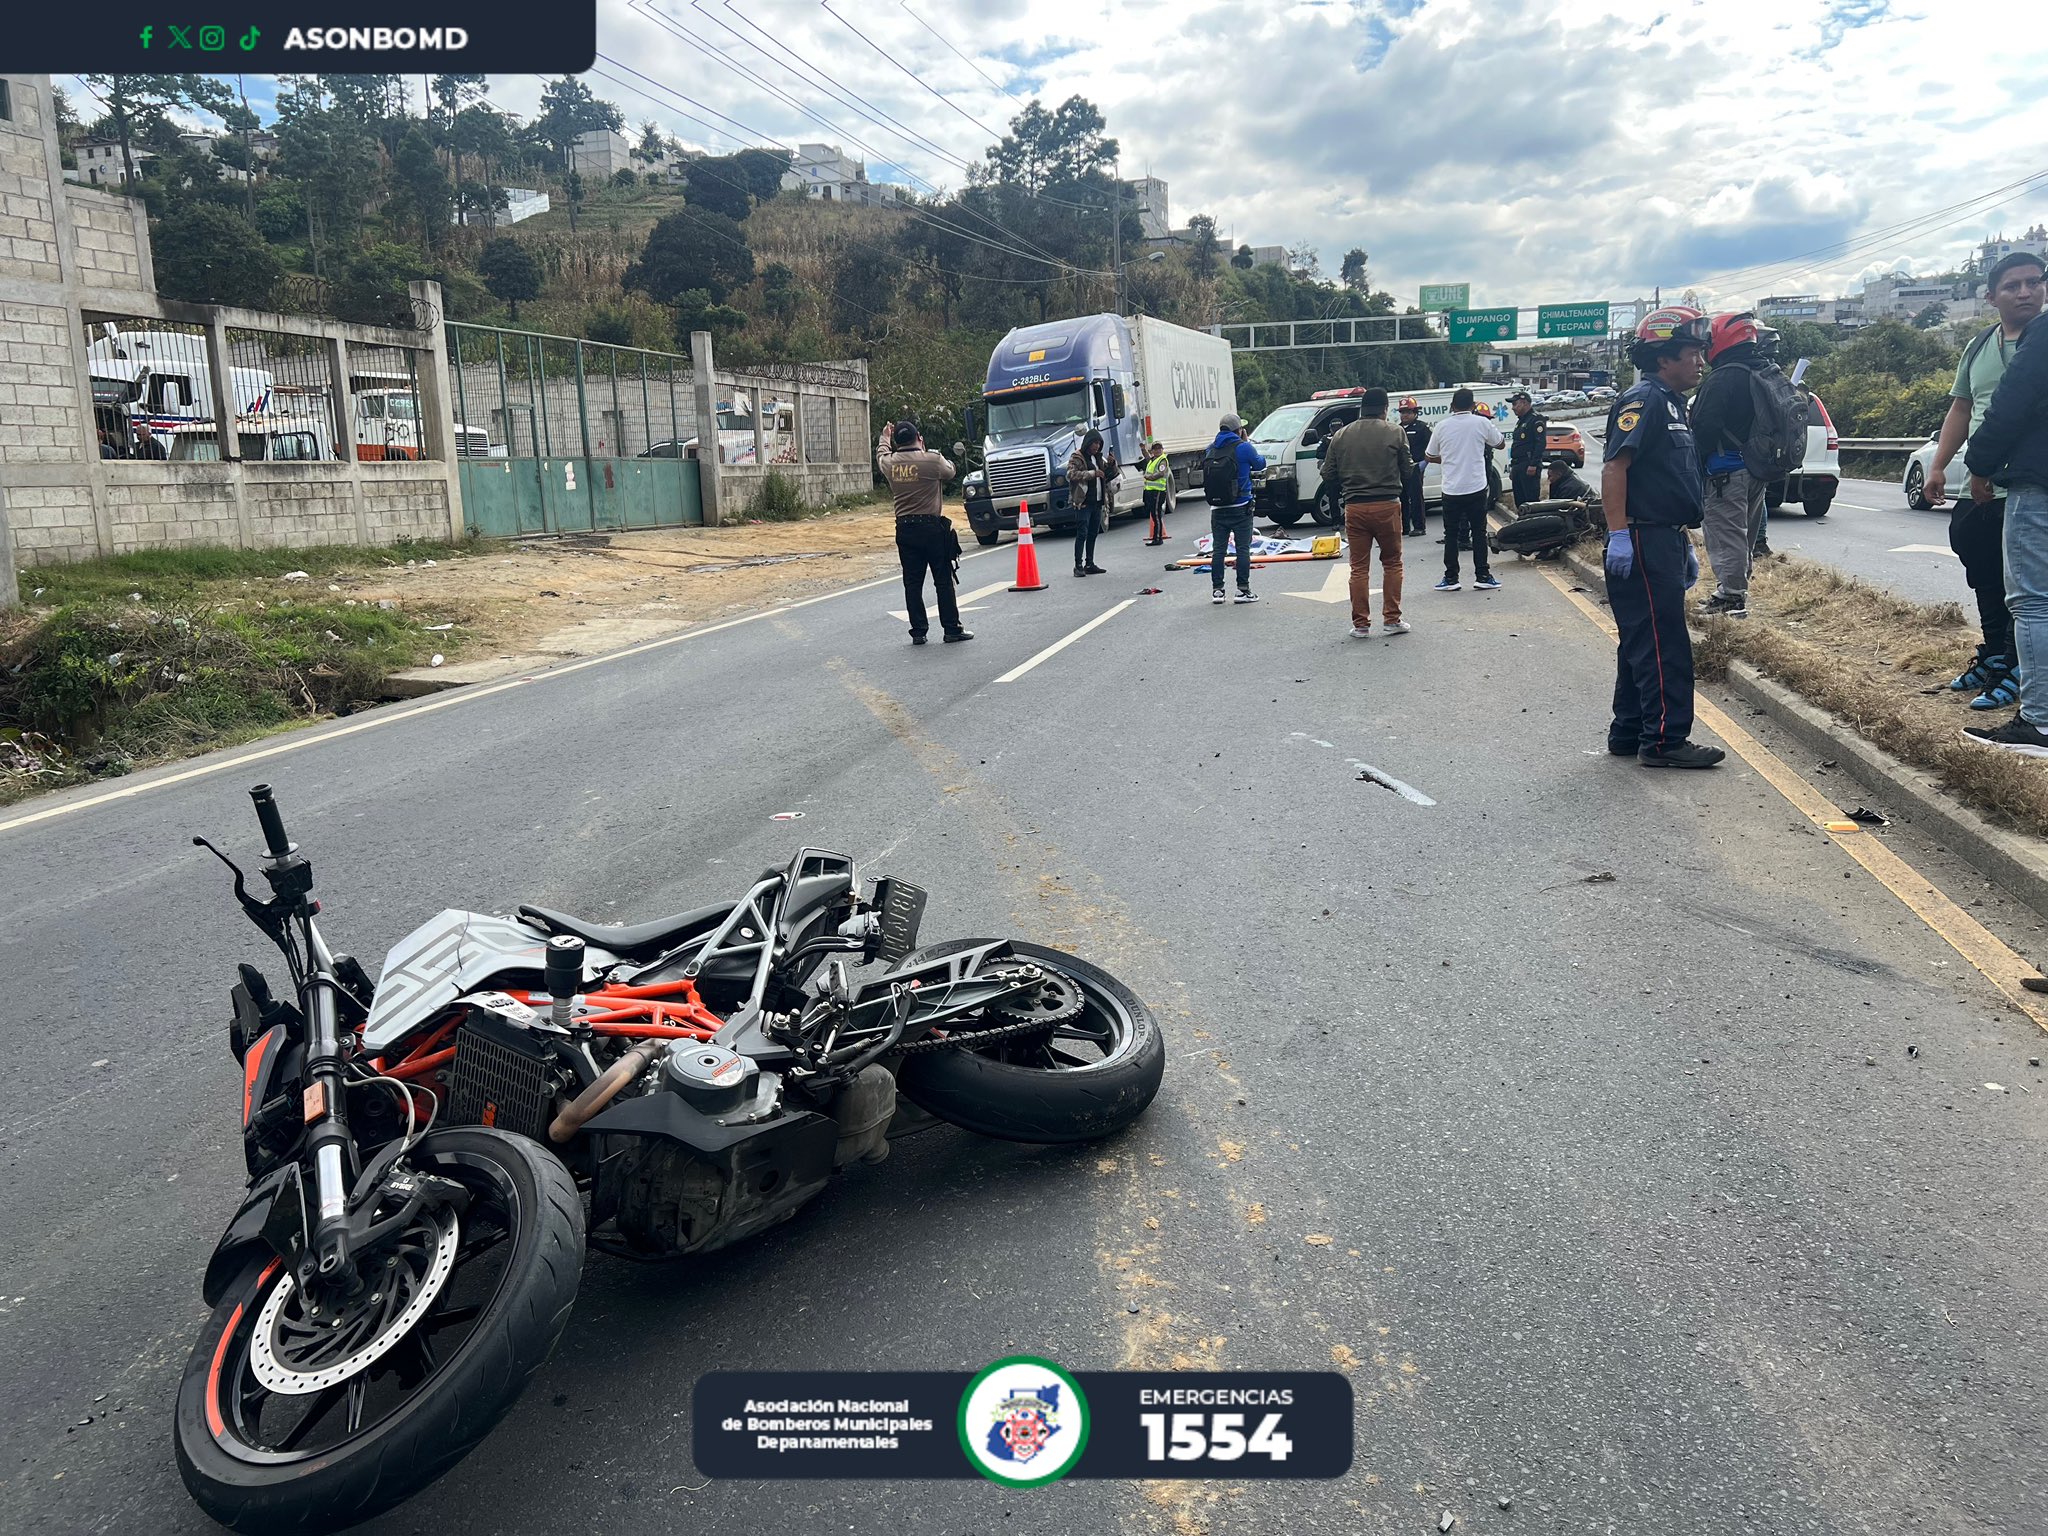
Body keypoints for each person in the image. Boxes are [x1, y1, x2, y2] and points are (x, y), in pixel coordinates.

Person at [1601, 307, 1724, 769]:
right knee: (1662, 641)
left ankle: (1629, 731)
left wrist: (1682, 538)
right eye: (1691, 352)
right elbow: (1616, 467)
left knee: (1641, 639)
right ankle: (1665, 740)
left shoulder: (1672, 403)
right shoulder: (1645, 400)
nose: (1699, 361)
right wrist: (1619, 535)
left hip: (1660, 537)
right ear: (1664, 356)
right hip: (1642, 539)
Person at [1928, 251, 2045, 710]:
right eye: (2013, 285)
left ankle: (2020, 667)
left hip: (2028, 484)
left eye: (2034, 282)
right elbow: (1962, 406)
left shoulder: (2042, 342)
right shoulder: (1979, 345)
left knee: (2028, 588)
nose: (2025, 292)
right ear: (1991, 295)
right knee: (1982, 567)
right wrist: (1939, 465)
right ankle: (1996, 654)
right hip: (1980, 483)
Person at [1961, 304, 2048, 756]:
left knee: (2033, 601)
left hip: (2038, 479)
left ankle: (2039, 722)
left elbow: (2011, 402)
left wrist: (1980, 464)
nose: (2027, 293)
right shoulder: (1982, 345)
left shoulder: (2041, 333)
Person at [1689, 311, 1774, 619]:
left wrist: (1693, 466)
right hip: (1756, 468)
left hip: (1726, 470)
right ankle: (1736, 589)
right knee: (1745, 534)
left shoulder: (1723, 378)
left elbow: (1705, 428)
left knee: (1725, 533)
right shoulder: (1762, 370)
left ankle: (1731, 596)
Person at [1320, 387, 1413, 638]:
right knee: (1392, 562)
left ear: (1362, 408)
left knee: (1358, 567)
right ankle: (1392, 619)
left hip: (1355, 507)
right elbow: (1408, 470)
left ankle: (1361, 624)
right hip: (1387, 505)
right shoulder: (1396, 432)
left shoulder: (1341, 435)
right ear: (1385, 409)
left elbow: (1327, 474)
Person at [877, 421, 971, 646]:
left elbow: (881, 455)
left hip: (905, 528)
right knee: (943, 580)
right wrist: (928, 452)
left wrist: (884, 437)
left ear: (897, 442)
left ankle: (918, 631)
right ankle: (951, 629)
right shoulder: (932, 460)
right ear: (919, 437)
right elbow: (951, 471)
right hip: (931, 528)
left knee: (912, 582)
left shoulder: (890, 464)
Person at [1424, 388, 1504, 591]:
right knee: (1478, 532)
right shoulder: (1482, 423)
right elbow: (1501, 443)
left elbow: (1429, 454)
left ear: (1452, 406)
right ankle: (1483, 576)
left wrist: (1448, 458)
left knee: (1451, 533)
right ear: (1473, 406)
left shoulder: (1442, 426)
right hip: (1476, 487)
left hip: (1451, 489)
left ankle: (1451, 578)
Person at [1203, 412, 1266, 604]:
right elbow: (1260, 464)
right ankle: (1243, 590)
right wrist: (1246, 441)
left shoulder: (1210, 449)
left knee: (1219, 550)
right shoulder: (1243, 447)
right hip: (1241, 506)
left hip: (1217, 507)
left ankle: (1218, 591)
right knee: (1242, 549)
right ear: (1238, 430)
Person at [1065, 429, 1116, 576]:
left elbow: (1107, 474)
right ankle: (1078, 566)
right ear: (1088, 442)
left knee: (1093, 533)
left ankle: (1090, 563)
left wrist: (1111, 464)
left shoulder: (1098, 457)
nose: (1097, 446)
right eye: (1094, 443)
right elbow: (1071, 474)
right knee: (1082, 533)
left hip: (1097, 501)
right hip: (1083, 502)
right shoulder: (1077, 457)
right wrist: (1092, 474)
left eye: (1099, 443)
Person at [1507, 390, 1548, 508]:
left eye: (1515, 404)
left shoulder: (1536, 419)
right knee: (1519, 502)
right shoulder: (1522, 420)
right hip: (1518, 465)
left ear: (1524, 403)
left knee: (1531, 501)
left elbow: (1540, 444)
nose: (1513, 408)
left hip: (1528, 465)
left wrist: (1533, 464)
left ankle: (1533, 525)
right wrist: (1513, 467)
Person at [1397, 397, 1431, 535]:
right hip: (1399, 468)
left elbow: (1432, 447)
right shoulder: (1397, 429)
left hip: (1415, 466)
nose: (1404, 415)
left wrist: (1424, 463)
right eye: (1402, 412)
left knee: (1416, 497)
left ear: (1415, 412)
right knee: (1401, 498)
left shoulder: (1422, 427)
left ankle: (1419, 527)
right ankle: (1404, 527)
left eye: (1408, 412)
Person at [1141, 439, 1172, 545]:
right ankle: (1155, 537)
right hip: (1150, 491)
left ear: (1162, 450)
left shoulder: (1162, 460)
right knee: (1154, 515)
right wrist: (1143, 449)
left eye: (1159, 448)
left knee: (1156, 514)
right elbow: (1147, 458)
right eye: (1155, 449)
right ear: (1152, 451)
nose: (1158, 450)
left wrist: (1149, 477)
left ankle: (1158, 538)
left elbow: (1161, 473)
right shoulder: (1153, 459)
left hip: (1158, 492)